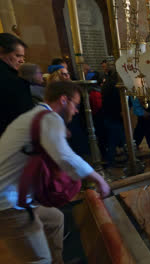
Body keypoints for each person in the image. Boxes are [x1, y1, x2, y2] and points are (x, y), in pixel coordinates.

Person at [0, 81, 110, 264]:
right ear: (63, 100)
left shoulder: (39, 116)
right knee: (38, 259)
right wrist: (100, 180)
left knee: (55, 219)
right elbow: (65, 157)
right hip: (7, 205)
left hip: (17, 197)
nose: (75, 111)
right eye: (75, 105)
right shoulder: (49, 118)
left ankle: (57, 261)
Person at [0, 33, 34, 136]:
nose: (22, 60)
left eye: (23, 57)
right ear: (1, 52)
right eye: (17, 55)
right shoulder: (13, 80)